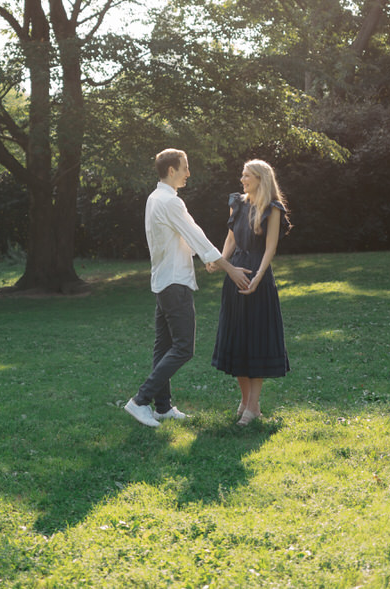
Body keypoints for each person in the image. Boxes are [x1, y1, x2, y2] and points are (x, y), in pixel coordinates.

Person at [125, 148, 248, 428]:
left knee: (163, 347)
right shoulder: (170, 202)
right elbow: (195, 233)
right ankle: (140, 401)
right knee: (183, 348)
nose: (188, 173)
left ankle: (163, 407)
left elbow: (178, 235)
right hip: (174, 283)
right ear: (171, 170)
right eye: (185, 167)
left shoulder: (155, 198)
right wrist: (229, 268)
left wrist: (204, 257)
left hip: (163, 282)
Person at [211, 159, 291, 425]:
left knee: (256, 339)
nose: (242, 179)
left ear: (260, 178)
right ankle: (246, 403)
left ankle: (253, 405)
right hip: (235, 274)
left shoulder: (272, 208)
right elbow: (232, 237)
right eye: (242, 175)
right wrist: (221, 260)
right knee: (237, 338)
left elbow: (270, 248)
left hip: (258, 275)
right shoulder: (237, 203)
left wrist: (258, 278)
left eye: (247, 176)